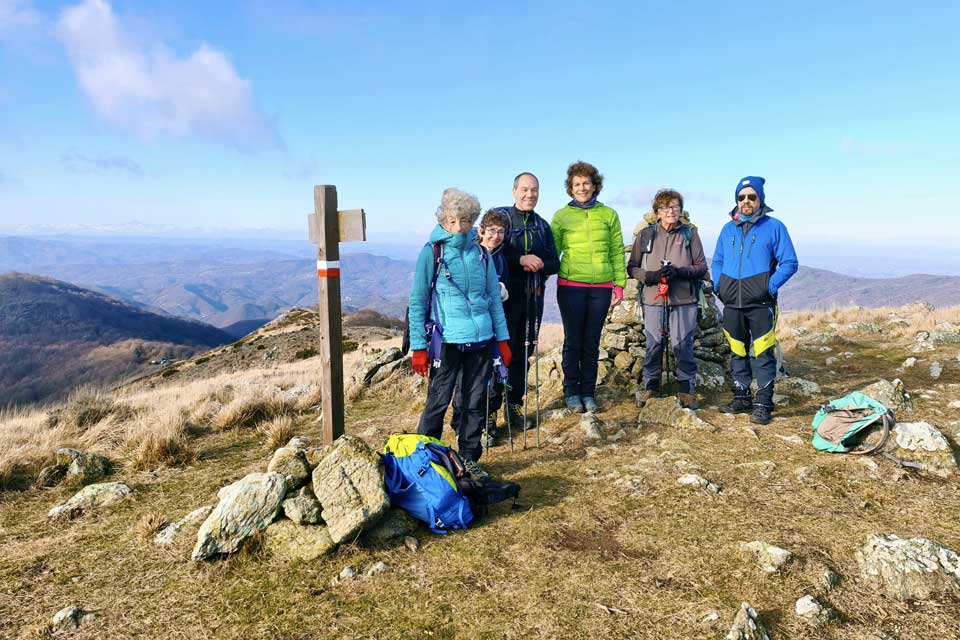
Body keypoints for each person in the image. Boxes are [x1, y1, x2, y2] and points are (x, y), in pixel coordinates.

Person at [408, 189, 512, 481]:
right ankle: (426, 460)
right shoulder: (432, 252)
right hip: (447, 342)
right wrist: (419, 347)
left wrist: (502, 340)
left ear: (472, 222)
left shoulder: (481, 255)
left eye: (465, 220)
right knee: (438, 402)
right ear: (443, 219)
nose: (458, 227)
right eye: (452, 220)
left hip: (481, 341)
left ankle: (469, 459)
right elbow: (417, 301)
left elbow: (493, 298)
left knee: (475, 402)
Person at [711, 176, 798, 425]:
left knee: (763, 353)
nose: (746, 201)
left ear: (760, 199)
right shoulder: (728, 229)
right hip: (731, 303)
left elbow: (790, 262)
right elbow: (717, 260)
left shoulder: (774, 227)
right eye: (741, 197)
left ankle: (763, 403)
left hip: (761, 304)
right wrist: (719, 286)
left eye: (751, 196)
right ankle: (741, 398)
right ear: (736, 200)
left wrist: (768, 286)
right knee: (737, 352)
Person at [551, 161, 627, 413]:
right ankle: (571, 392)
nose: (582, 188)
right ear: (570, 188)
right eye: (577, 184)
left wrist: (619, 285)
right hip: (571, 286)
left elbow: (616, 251)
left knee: (592, 342)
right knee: (573, 340)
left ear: (595, 186)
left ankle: (588, 393)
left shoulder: (608, 215)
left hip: (602, 287)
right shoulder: (562, 217)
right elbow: (553, 252)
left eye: (586, 183)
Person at [627, 189, 707, 409]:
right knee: (653, 343)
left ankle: (686, 389)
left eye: (675, 206)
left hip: (683, 299)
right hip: (653, 298)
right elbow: (631, 267)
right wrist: (649, 276)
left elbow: (701, 267)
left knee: (683, 345)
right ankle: (651, 387)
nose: (671, 211)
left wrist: (679, 272)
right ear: (657, 212)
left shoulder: (689, 234)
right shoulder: (646, 235)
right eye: (665, 207)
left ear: (680, 209)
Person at [493, 172, 560, 426]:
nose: (529, 194)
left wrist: (539, 264)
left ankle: (514, 407)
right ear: (514, 191)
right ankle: (490, 411)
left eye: (534, 190)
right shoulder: (501, 218)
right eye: (524, 189)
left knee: (523, 352)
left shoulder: (542, 225)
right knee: (498, 352)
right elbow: (488, 251)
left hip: (532, 300)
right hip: (502, 299)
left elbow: (555, 262)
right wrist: (520, 260)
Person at [450, 209, 510, 444]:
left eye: (501, 231)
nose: (496, 236)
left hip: (492, 326)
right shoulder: (469, 254)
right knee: (465, 379)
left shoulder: (500, 258)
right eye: (492, 231)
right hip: (468, 329)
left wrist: (500, 291)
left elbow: (499, 293)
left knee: (493, 376)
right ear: (481, 231)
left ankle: (487, 422)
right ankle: (460, 425)